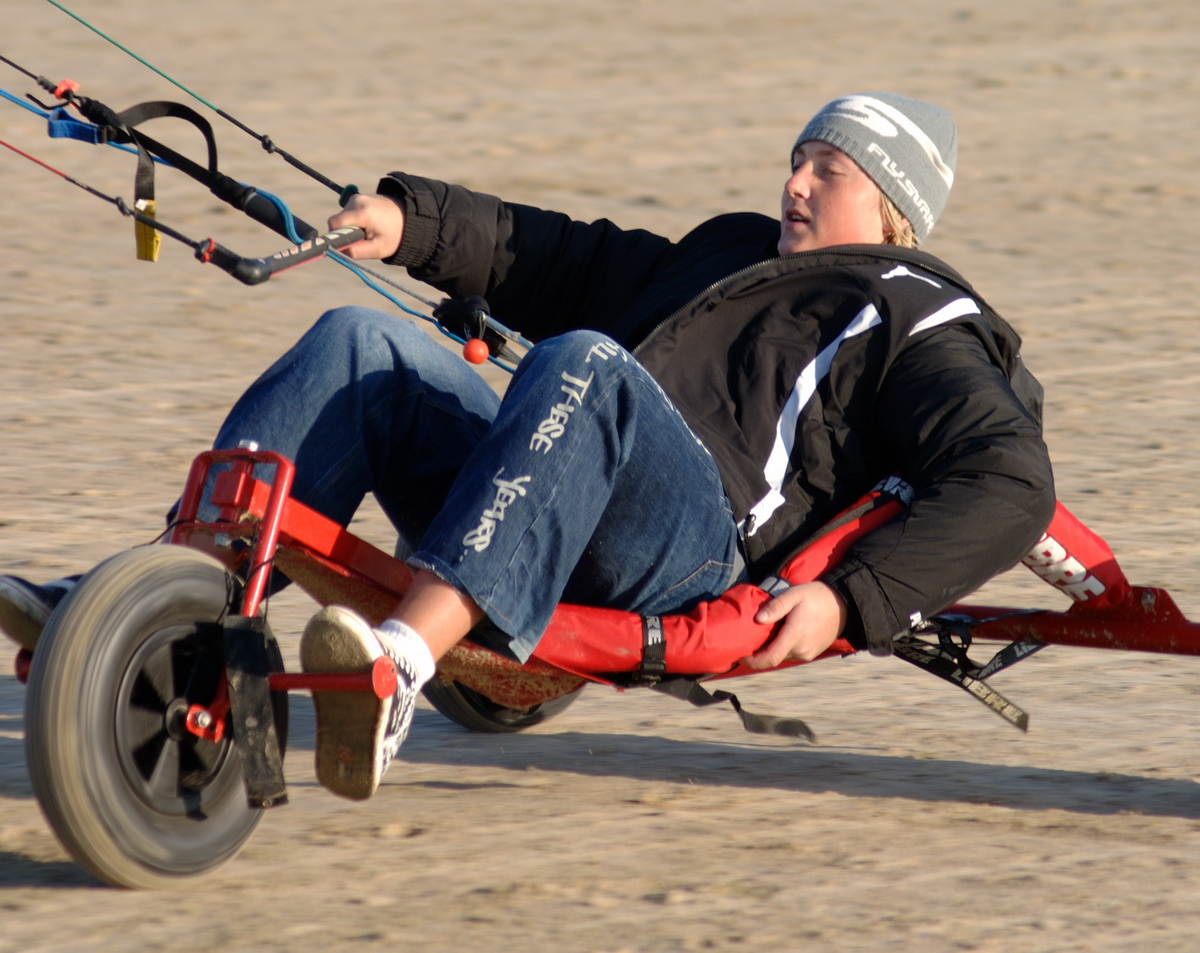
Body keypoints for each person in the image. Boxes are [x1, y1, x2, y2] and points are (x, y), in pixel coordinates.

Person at [0, 93, 1054, 804]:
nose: (796, 182)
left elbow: (1010, 483)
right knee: (359, 341)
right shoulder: (736, 247)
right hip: (557, 477)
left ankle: (400, 664)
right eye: (796, 160)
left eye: (828, 168)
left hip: (684, 548)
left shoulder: (920, 314)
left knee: (585, 362)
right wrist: (412, 225)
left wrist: (850, 600)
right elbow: (568, 258)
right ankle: (158, 612)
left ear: (893, 207)